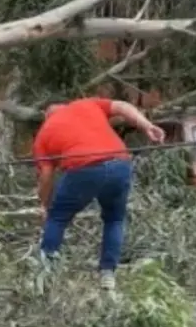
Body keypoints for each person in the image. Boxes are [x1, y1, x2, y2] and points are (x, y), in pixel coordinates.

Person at [32, 97, 165, 291]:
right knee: (114, 219)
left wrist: (43, 205)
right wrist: (147, 125)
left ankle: (46, 273)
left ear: (46, 114)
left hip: (83, 170)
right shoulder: (86, 104)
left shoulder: (43, 135)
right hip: (120, 164)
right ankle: (108, 273)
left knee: (57, 218)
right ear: (65, 106)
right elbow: (122, 106)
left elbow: (46, 175)